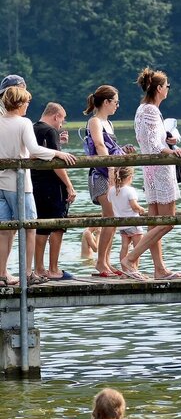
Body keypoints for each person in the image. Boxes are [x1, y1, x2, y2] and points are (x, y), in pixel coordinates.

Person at [0, 87, 76, 286]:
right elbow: (33, 149)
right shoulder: (24, 122)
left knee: (5, 230)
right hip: (19, 184)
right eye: (26, 103)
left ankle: (2, 274)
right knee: (30, 226)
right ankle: (27, 272)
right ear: (18, 104)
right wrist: (58, 153)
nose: (27, 106)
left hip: (1, 183)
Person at [121, 68, 181, 280]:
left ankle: (159, 268)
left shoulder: (143, 109)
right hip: (159, 169)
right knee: (167, 221)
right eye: (167, 86)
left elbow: (152, 140)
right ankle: (131, 258)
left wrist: (168, 141)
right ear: (159, 88)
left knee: (155, 222)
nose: (168, 89)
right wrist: (172, 151)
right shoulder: (150, 111)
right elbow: (151, 145)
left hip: (150, 170)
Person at [84, 85, 132, 278]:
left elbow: (111, 146)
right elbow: (99, 145)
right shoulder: (95, 121)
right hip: (101, 175)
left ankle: (106, 261)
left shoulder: (108, 123)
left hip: (112, 175)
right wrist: (111, 167)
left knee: (112, 219)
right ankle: (100, 263)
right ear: (106, 102)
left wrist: (123, 150)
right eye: (116, 102)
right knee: (110, 217)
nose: (117, 106)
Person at [32, 102, 76, 280]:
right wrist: (69, 185)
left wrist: (60, 143)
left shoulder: (33, 128)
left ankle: (39, 268)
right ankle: (53, 269)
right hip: (52, 185)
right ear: (56, 116)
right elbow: (57, 164)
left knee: (41, 227)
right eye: (62, 120)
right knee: (58, 226)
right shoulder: (50, 131)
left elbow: (43, 153)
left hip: (35, 183)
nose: (62, 124)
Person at [108, 167, 146, 280]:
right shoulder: (130, 190)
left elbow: (111, 202)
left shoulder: (112, 190)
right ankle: (134, 270)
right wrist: (141, 209)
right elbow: (134, 207)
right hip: (133, 223)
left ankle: (125, 272)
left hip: (122, 225)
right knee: (137, 248)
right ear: (130, 177)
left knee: (124, 247)